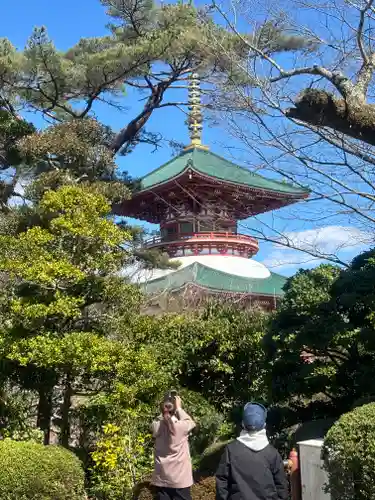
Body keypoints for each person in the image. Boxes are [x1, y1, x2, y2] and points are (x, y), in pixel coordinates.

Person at [215, 402, 288, 500]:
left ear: (243, 424)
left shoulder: (231, 450)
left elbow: (222, 483)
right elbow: (281, 487)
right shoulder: (272, 453)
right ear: (264, 425)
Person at [151, 395, 196, 500]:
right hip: (180, 480)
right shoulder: (182, 426)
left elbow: (161, 419)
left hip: (162, 478)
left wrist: (164, 409)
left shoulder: (155, 426)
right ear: (174, 410)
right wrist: (179, 408)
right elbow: (191, 422)